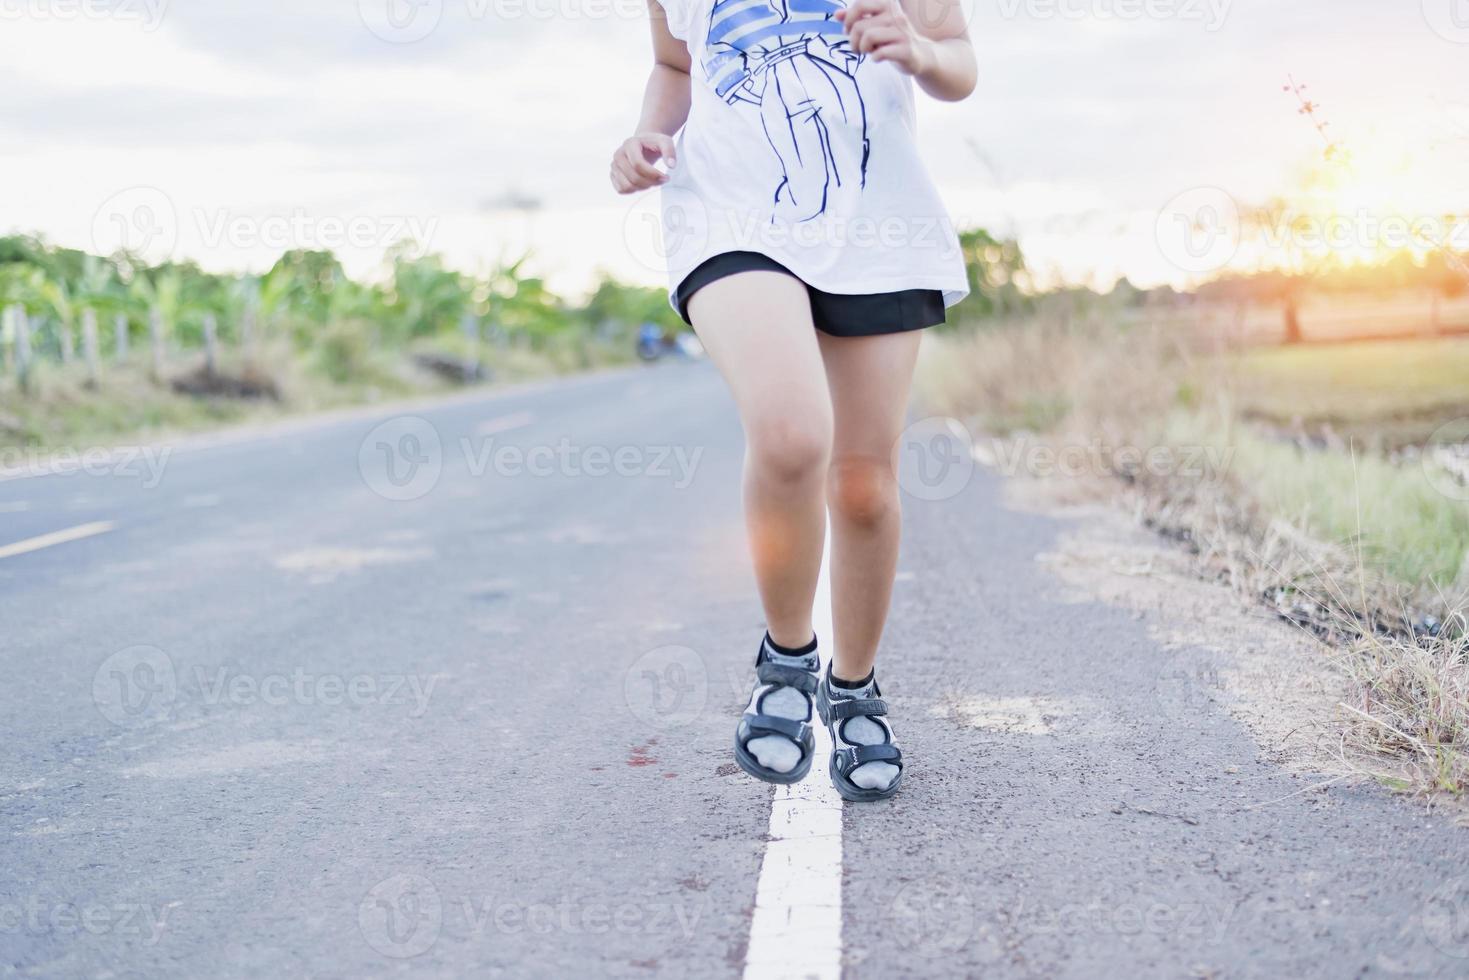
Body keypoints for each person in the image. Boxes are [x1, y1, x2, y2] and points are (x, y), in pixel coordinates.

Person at [610, 0, 975, 801]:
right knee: (788, 435)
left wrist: (915, 47)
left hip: (878, 225)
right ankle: (786, 657)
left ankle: (853, 689)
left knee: (863, 486)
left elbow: (958, 63)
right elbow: (676, 66)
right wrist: (650, 135)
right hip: (729, 214)